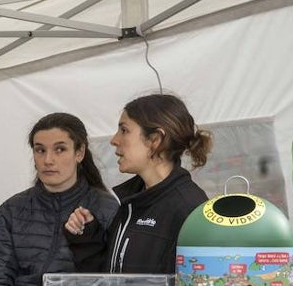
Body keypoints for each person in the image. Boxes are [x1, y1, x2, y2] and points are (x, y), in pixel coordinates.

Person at [0, 113, 119, 286]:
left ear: (80, 152)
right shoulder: (13, 210)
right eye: (40, 150)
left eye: (60, 149)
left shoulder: (105, 207)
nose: (48, 160)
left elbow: (116, 282)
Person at [66, 93, 212, 274]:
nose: (114, 140)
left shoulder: (189, 209)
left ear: (155, 140)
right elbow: (112, 280)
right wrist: (88, 237)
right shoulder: (131, 202)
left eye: (124, 130)